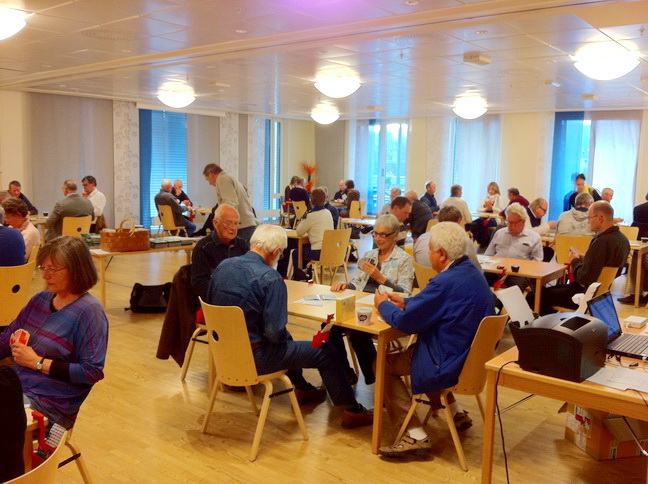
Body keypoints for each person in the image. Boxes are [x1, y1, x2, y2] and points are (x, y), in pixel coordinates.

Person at [207, 224, 373, 426]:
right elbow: (274, 333)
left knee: (285, 338)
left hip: (223, 354)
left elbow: (211, 305)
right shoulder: (270, 278)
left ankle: (302, 388)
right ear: (276, 251)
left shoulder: (223, 267)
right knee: (326, 352)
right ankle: (352, 411)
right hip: (255, 358)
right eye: (281, 253)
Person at [375, 222, 494, 457]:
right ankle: (455, 410)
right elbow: (438, 304)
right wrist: (406, 302)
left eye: (429, 249)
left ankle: (415, 434)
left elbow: (406, 323)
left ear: (441, 254)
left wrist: (383, 306)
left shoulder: (444, 282)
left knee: (381, 364)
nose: (427, 254)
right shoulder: (473, 273)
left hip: (446, 363)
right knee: (420, 349)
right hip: (469, 361)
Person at [0, 236, 109, 429]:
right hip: (17, 389)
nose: (45, 276)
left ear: (76, 270)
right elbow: (6, 340)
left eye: (52, 270)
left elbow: (91, 372)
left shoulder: (89, 312)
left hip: (49, 404)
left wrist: (37, 362)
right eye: (43, 268)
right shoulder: (41, 299)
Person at [330, 214, 414, 384]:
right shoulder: (370, 255)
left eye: (383, 234)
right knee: (330, 328)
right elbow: (357, 283)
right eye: (376, 233)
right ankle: (346, 373)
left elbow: (405, 294)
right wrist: (346, 285)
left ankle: (374, 377)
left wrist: (381, 278)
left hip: (383, 308)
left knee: (358, 333)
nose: (378, 238)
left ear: (394, 236)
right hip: (361, 303)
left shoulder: (403, 259)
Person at [541, 201, 630, 314]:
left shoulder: (601, 242)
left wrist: (574, 260)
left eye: (590, 218)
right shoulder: (623, 240)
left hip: (584, 296)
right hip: (601, 294)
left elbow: (583, 278)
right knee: (545, 291)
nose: (588, 222)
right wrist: (587, 258)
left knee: (536, 295)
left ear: (600, 218)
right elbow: (605, 267)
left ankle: (549, 324)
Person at [191, 204, 249, 301]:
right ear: (215, 223)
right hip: (216, 300)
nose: (233, 228)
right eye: (228, 223)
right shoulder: (203, 248)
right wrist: (228, 291)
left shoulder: (242, 244)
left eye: (236, 223)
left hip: (241, 297)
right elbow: (199, 284)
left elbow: (250, 273)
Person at [485, 203, 543, 292]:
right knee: (479, 282)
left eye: (514, 223)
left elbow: (537, 262)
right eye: (508, 222)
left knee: (512, 291)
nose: (510, 226)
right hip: (497, 270)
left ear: (523, 222)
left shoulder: (534, 237)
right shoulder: (499, 233)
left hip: (519, 273)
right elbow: (488, 255)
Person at [203, 163, 260, 242]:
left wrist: (227, 225)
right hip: (247, 224)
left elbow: (231, 204)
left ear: (212, 174)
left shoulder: (222, 179)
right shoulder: (230, 178)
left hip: (241, 226)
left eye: (207, 179)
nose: (209, 183)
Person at [414, 205, 480, 269]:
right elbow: (476, 269)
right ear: (459, 221)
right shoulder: (464, 241)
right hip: (452, 276)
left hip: (422, 276)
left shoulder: (421, 238)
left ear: (438, 220)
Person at [291, 188, 333, 281]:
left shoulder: (310, 215)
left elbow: (299, 232)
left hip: (318, 253)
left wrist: (302, 218)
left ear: (311, 200)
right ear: (325, 199)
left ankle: (300, 277)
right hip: (329, 251)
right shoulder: (328, 213)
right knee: (307, 248)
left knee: (296, 253)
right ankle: (308, 272)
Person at [618, 193, 648, 305]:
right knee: (640, 258)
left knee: (637, 257)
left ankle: (635, 294)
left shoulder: (639, 209)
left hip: (642, 247)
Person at [468, 181, 503, 248]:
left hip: (494, 218)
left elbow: (501, 210)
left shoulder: (499, 198)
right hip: (484, 216)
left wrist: (492, 208)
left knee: (483, 224)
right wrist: (486, 209)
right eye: (489, 189)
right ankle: (480, 241)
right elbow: (478, 209)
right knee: (473, 224)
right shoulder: (485, 198)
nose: (490, 191)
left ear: (496, 190)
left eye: (492, 189)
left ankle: (486, 242)